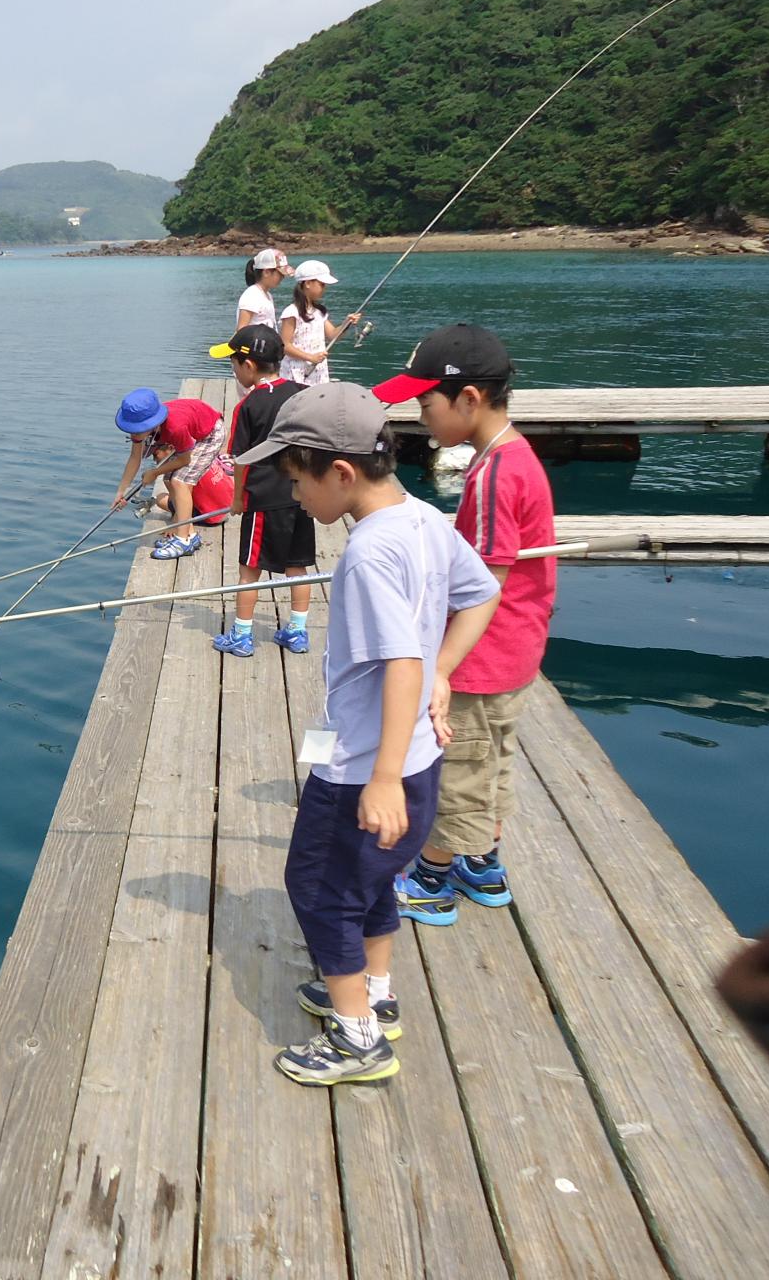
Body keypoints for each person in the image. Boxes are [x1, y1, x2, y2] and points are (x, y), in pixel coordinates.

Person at [230, 381, 500, 1085]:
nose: (292, 497)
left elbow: (399, 662)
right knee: (370, 881)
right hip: (415, 760)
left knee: (318, 888)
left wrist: (379, 778)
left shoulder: (369, 552)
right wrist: (445, 673)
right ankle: (372, 996)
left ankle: (357, 1042)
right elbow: (481, 595)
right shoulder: (423, 519)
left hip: (363, 768)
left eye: (296, 480)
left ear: (340, 473)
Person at [373, 325, 557, 926]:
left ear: (469, 399)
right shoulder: (511, 458)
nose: (420, 417)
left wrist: (441, 667)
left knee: (458, 771)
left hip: (482, 659)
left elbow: (485, 586)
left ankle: (431, 881)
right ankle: (484, 865)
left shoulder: (495, 476)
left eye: (425, 404)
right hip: (517, 652)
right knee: (492, 762)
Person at [207, 325, 313, 656]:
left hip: (263, 500)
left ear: (248, 365)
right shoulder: (301, 392)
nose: (234, 370)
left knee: (249, 570)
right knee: (298, 566)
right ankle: (297, 632)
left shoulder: (249, 405)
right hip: (302, 497)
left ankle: (241, 635)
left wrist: (238, 499)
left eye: (234, 364)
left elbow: (240, 459)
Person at [112, 387, 232, 560]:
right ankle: (188, 532)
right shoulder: (139, 431)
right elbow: (134, 458)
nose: (134, 434)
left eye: (138, 429)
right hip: (192, 430)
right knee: (169, 479)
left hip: (210, 433)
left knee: (180, 481)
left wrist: (155, 472)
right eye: (131, 429)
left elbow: (185, 461)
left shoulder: (175, 427)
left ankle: (183, 539)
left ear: (153, 423)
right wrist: (121, 491)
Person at [279, 261, 362, 384]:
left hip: (317, 373)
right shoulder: (291, 312)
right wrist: (310, 357)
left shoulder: (319, 312)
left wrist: (346, 323)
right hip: (295, 374)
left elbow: (333, 335)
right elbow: (285, 346)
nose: (324, 288)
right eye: (322, 284)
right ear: (307, 283)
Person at [236, 249, 290, 332]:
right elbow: (241, 329)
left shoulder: (267, 295)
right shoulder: (252, 295)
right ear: (266, 272)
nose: (283, 277)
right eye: (280, 274)